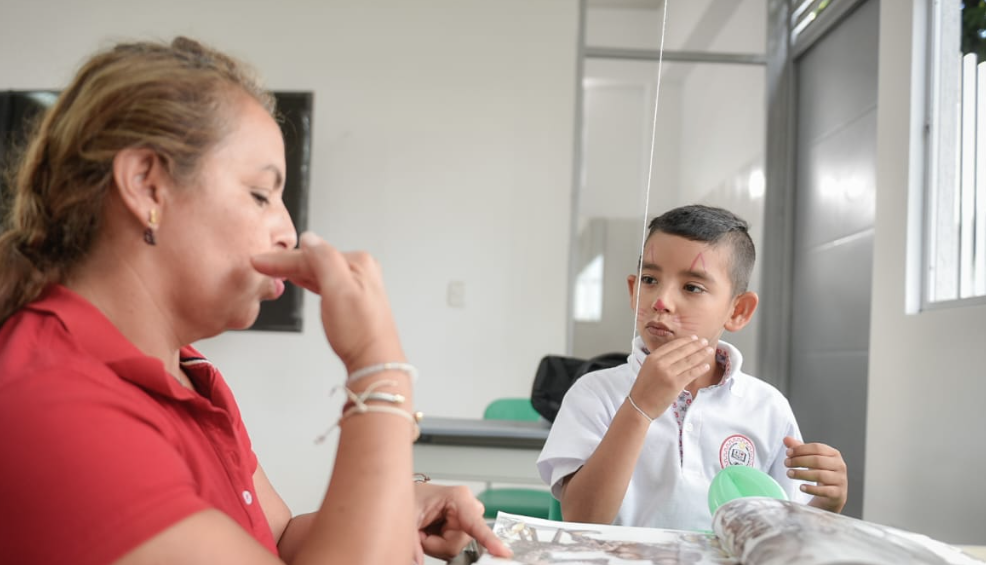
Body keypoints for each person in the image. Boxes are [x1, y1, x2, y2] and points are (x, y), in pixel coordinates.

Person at [0, 37, 510, 565]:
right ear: (147, 186)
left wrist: (393, 508)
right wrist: (379, 369)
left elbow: (278, 537)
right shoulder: (54, 402)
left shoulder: (188, 372)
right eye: (260, 194)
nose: (288, 232)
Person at [536, 204, 848, 531]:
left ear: (738, 311)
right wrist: (639, 407)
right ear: (633, 291)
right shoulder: (594, 393)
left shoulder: (767, 408)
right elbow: (582, 518)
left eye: (692, 287)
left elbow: (784, 532)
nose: (661, 301)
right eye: (650, 280)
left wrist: (824, 507)